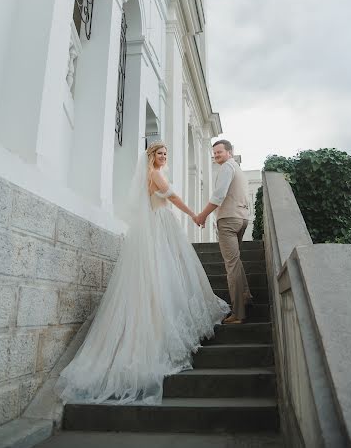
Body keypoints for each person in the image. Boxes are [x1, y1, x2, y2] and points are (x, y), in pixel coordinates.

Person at [56, 141, 229, 405]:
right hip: (160, 226)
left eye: (166, 153)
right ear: (151, 156)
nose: (163, 156)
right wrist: (195, 215)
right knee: (164, 272)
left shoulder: (155, 174)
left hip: (161, 225)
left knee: (169, 271)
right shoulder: (155, 175)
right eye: (160, 153)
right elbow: (173, 198)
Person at [195, 140, 252, 324]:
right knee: (236, 260)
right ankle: (245, 294)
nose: (216, 155)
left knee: (231, 266)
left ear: (230, 151)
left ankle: (238, 313)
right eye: (214, 153)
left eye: (219, 152)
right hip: (242, 218)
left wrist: (202, 215)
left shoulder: (227, 168)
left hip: (228, 220)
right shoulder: (238, 169)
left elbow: (218, 196)